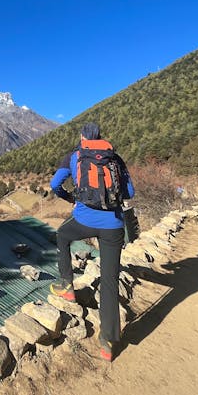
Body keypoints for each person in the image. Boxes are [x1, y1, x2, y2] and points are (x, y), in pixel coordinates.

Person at [49, 122, 135, 361]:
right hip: (114, 227)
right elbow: (130, 191)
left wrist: (70, 198)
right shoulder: (114, 158)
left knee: (63, 235)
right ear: (101, 137)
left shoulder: (75, 156)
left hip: (83, 220)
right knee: (109, 282)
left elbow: (55, 184)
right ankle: (107, 342)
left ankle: (67, 285)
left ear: (82, 137)